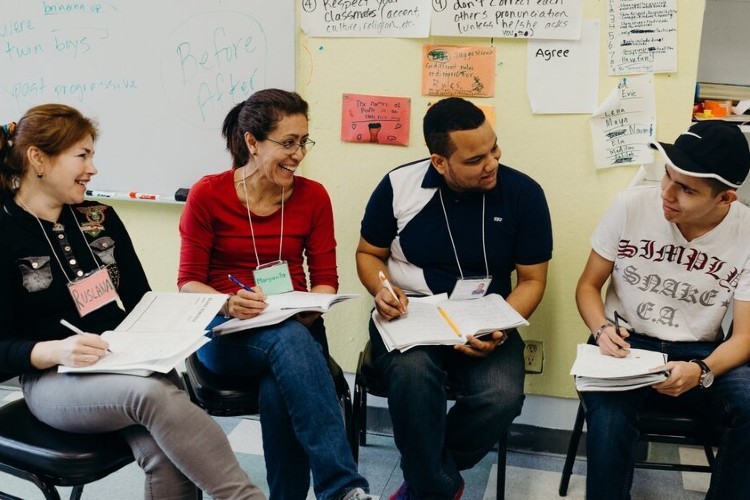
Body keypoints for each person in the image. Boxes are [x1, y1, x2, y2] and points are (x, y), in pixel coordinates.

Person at [0, 104, 264, 499]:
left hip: (126, 361)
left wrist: (211, 307)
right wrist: (59, 349)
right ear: (38, 158)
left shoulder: (100, 218)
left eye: (92, 155)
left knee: (167, 452)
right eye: (82, 156)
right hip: (54, 378)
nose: (93, 169)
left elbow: (140, 301)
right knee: (154, 396)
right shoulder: (5, 230)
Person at [177, 89, 371, 500]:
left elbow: (324, 278)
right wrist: (228, 302)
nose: (298, 154)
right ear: (252, 142)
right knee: (290, 343)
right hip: (227, 330)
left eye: (303, 142)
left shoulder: (314, 196)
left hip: (295, 325)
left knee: (281, 377)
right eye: (287, 143)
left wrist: (312, 306)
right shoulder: (208, 195)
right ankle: (342, 489)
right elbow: (188, 282)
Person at [356, 97, 553, 499]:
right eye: (475, 159)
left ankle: (426, 479)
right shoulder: (398, 186)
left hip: (487, 316)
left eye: (494, 148)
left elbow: (532, 280)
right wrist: (381, 287)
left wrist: (498, 324)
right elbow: (368, 254)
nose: (492, 163)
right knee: (413, 376)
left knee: (501, 397)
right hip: (412, 312)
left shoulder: (525, 194)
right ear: (440, 162)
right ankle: (437, 487)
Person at [575, 120, 750, 499]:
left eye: (686, 189)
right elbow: (588, 287)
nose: (667, 194)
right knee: (608, 420)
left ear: (725, 199)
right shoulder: (631, 205)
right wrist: (602, 328)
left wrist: (702, 370)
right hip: (625, 342)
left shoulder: (746, 232)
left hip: (702, 352)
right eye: (667, 176)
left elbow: (746, 337)